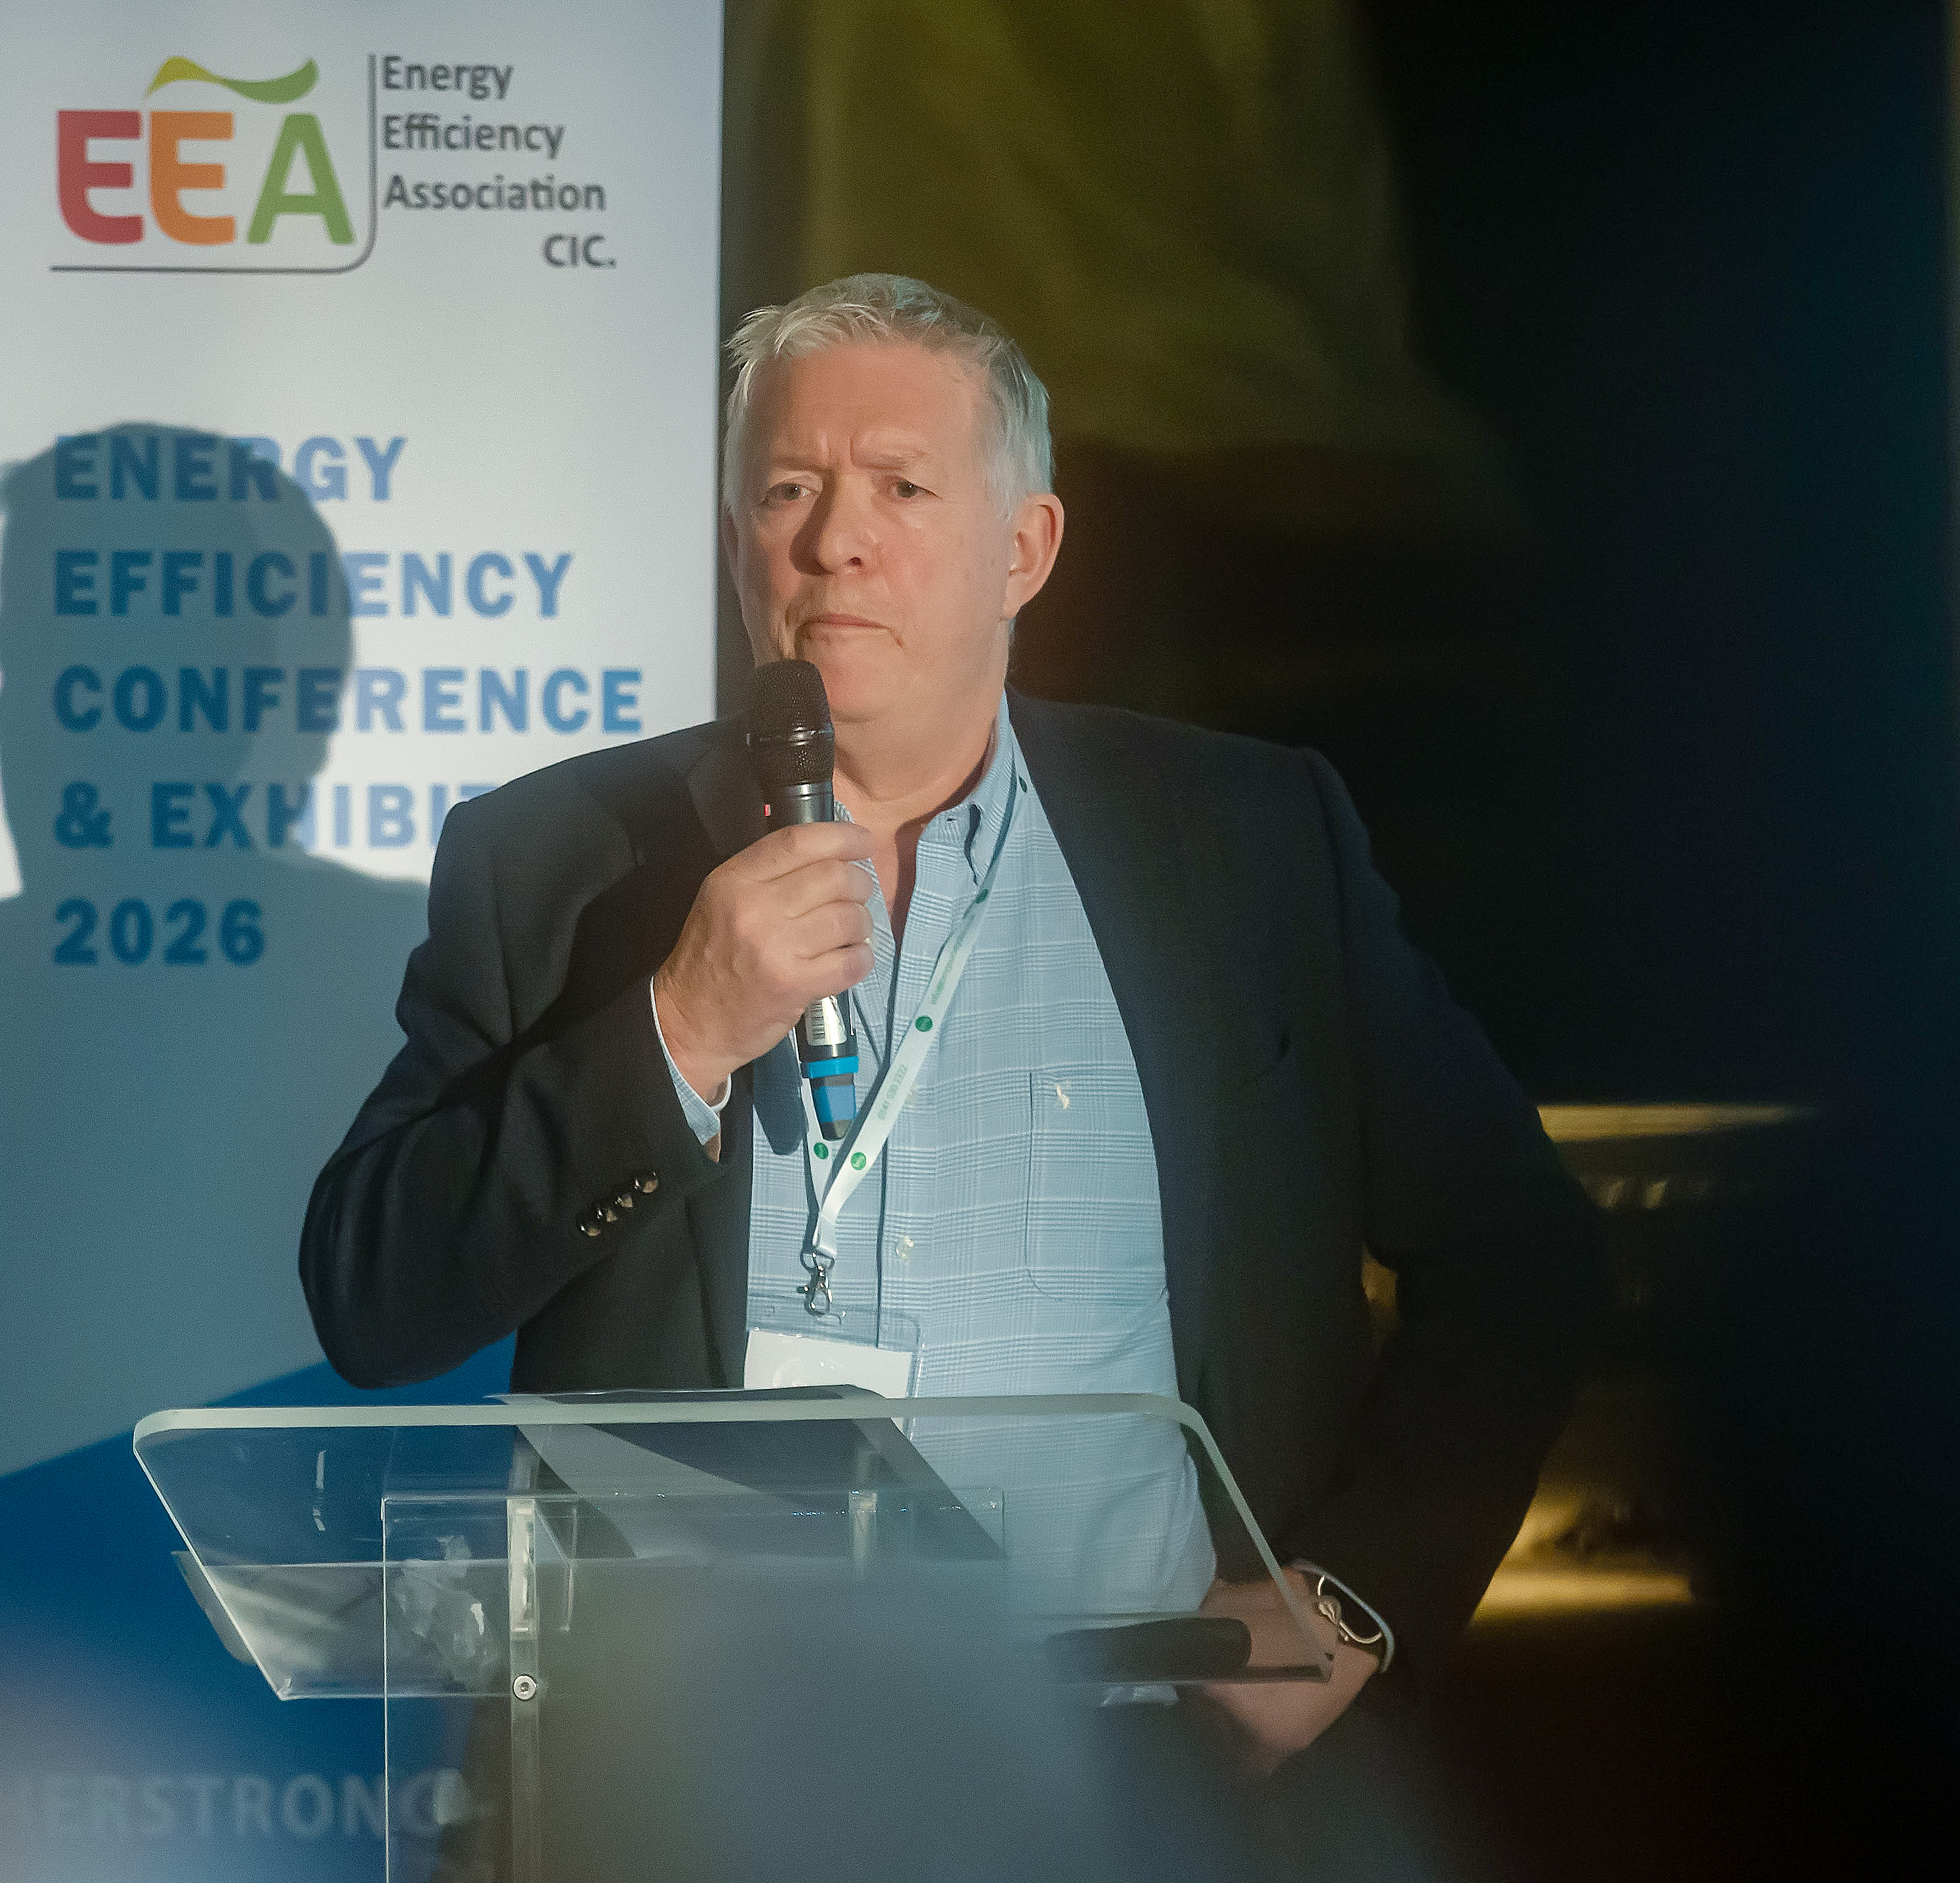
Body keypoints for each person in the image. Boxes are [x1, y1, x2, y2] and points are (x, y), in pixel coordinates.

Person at [300, 275, 1603, 1762]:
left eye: (902, 487)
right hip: (694, 1792)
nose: (833, 539)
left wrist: (1349, 1598)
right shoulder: (559, 862)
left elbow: (1521, 1249)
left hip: (1152, 1772)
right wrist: (678, 1029)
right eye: (786, 490)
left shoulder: (1244, 845)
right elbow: (375, 1302)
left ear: (1024, 551)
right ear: (735, 543)